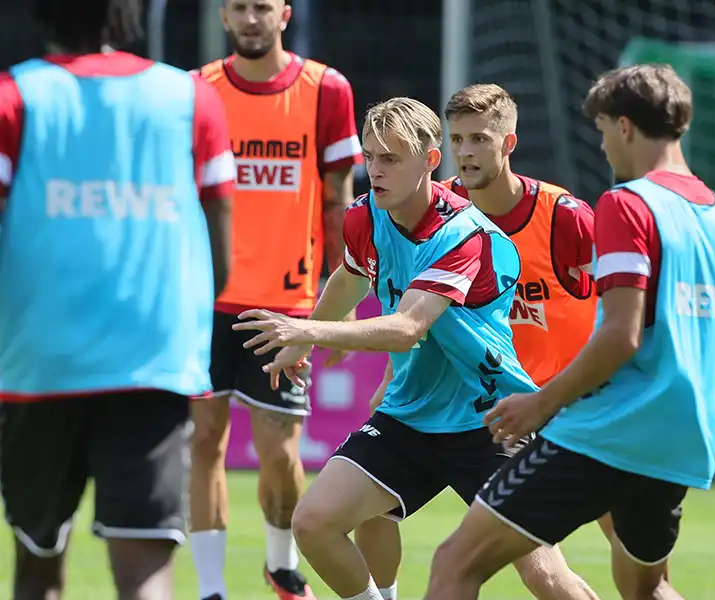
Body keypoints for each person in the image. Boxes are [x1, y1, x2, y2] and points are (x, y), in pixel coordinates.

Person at [420, 63, 715, 600]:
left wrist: (541, 403)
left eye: (601, 131)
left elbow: (620, 336)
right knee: (646, 588)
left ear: (625, 127)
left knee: (456, 562)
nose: (602, 148)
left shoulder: (626, 204)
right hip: (681, 444)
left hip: (607, 430)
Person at [233, 97, 599, 600]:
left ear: (430, 160)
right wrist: (308, 340)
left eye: (390, 159)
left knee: (544, 575)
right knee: (314, 522)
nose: (375, 171)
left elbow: (407, 327)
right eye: (370, 157)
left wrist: (304, 331)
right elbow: (351, 276)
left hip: (489, 421)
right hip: (410, 417)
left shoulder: (463, 234)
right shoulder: (365, 217)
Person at [0, 1, 235, 598]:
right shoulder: (190, 98)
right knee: (145, 575)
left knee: (36, 567)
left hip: (39, 365)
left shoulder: (14, 96)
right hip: (154, 360)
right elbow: (221, 250)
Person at [353, 83, 606, 600]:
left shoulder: (566, 218)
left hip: (569, 408)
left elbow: (624, 305)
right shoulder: (434, 210)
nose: (465, 152)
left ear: (508, 142)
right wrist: (391, 380)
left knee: (626, 571)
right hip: (487, 412)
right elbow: (410, 304)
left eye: (479, 140)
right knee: (369, 511)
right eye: (458, 139)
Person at [188, 1, 360, 599]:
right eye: (238, 7)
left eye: (262, 6)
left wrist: (333, 315)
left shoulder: (326, 90)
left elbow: (339, 203)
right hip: (205, 301)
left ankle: (279, 565)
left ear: (285, 13)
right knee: (203, 442)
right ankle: (211, 589)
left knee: (280, 452)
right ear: (224, 17)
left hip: (285, 307)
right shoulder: (197, 90)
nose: (250, 19)